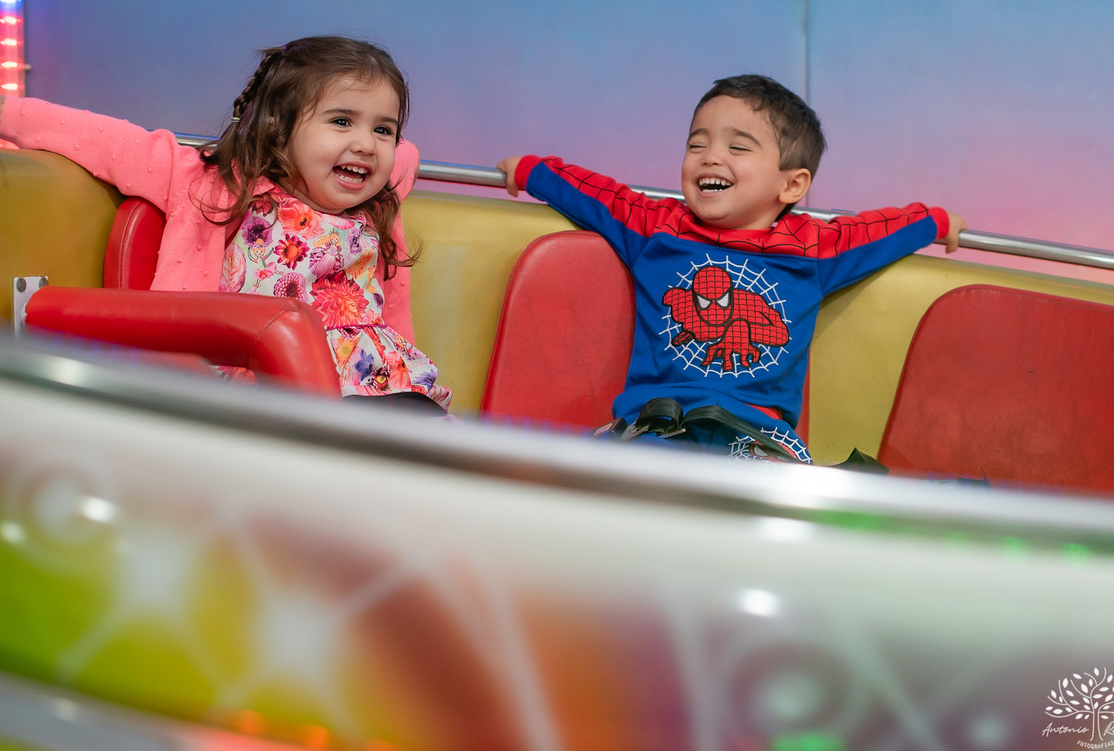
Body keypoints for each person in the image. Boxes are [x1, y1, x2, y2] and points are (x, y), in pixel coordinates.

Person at [498, 74, 965, 462]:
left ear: (792, 184)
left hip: (757, 437)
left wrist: (935, 222)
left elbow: (879, 231)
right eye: (697, 144)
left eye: (738, 148)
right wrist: (532, 171)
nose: (711, 156)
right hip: (656, 424)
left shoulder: (814, 248)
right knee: (604, 483)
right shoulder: (657, 228)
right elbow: (598, 195)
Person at [0, 35, 450, 411]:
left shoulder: (378, 198)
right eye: (341, 121)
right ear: (277, 127)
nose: (367, 145)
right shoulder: (219, 187)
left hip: (378, 381)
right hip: (267, 384)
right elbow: (105, 141)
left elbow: (403, 159)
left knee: (423, 429)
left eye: (383, 129)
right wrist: (8, 113)